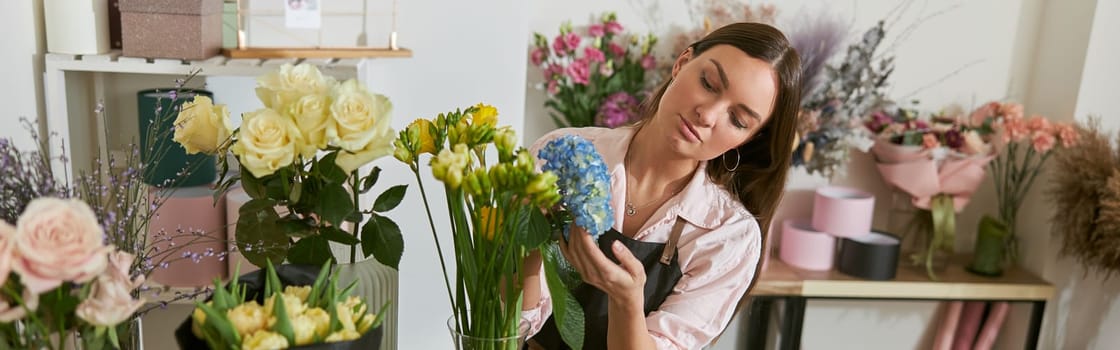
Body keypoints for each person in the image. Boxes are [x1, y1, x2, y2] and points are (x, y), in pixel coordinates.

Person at [522, 22, 802, 349]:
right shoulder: (562, 156)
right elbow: (507, 323)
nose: (707, 115)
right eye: (708, 83)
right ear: (682, 63)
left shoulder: (728, 234)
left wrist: (626, 300)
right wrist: (525, 238)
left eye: (738, 120)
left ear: (748, 139)